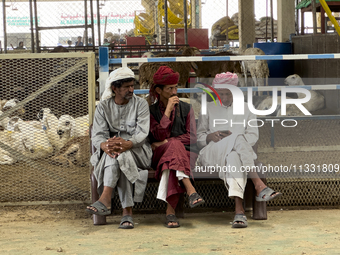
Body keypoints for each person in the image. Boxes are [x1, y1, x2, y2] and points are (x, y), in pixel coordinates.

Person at [197, 72, 282, 228]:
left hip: (238, 156)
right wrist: (211, 136)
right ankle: (259, 185)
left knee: (234, 156)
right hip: (212, 153)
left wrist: (234, 141)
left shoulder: (246, 109)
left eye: (228, 94)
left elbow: (253, 136)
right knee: (236, 139)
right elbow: (200, 139)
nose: (225, 97)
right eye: (221, 93)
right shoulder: (208, 108)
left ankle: (239, 212)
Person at [86, 67, 152, 229]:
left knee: (121, 155)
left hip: (138, 151)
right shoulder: (103, 107)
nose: (131, 90)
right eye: (126, 87)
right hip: (113, 152)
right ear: (114, 88)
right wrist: (106, 146)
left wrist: (126, 144)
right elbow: (98, 135)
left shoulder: (141, 104)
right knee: (120, 157)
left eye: (132, 86)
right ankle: (127, 213)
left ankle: (105, 199)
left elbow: (142, 133)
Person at [149, 66, 205, 228]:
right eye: (170, 88)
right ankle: (190, 190)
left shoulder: (187, 108)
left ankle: (170, 212)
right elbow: (156, 136)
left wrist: (167, 142)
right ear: (159, 90)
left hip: (186, 153)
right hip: (160, 155)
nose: (175, 91)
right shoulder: (151, 111)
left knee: (171, 161)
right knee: (171, 152)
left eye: (176, 87)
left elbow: (192, 137)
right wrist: (167, 111)